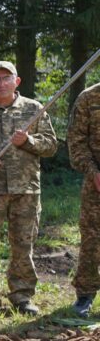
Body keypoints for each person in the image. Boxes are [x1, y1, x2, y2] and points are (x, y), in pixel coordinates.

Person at [0, 60, 57, 316]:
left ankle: (22, 296)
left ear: (17, 81)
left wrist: (28, 141)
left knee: (23, 246)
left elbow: (51, 145)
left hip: (26, 190)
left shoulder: (34, 110)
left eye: (6, 78)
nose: (1, 82)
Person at [67, 83, 100, 317]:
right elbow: (76, 141)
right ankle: (85, 295)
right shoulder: (89, 98)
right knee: (92, 237)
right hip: (96, 182)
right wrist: (93, 172)